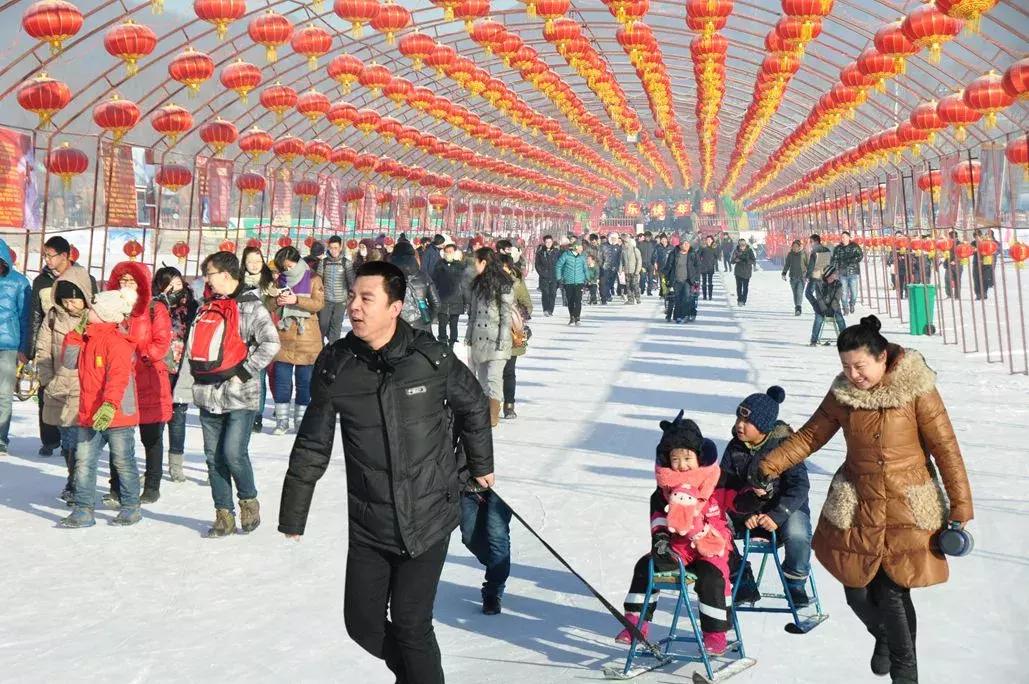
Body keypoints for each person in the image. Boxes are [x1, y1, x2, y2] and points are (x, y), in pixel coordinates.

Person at [278, 261, 494, 684]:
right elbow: (313, 441)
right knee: (361, 624)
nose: (354, 307)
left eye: (366, 298)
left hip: (429, 513)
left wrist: (481, 466)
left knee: (412, 625)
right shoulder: (337, 363)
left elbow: (472, 405)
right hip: (370, 520)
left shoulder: (429, 358)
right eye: (353, 297)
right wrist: (293, 511)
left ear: (395, 306)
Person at [754, 316, 973, 684]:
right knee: (855, 589)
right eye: (845, 366)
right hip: (858, 502)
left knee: (892, 591)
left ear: (882, 357)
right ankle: (884, 636)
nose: (853, 374)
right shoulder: (844, 394)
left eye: (860, 365)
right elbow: (810, 436)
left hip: (905, 504)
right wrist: (769, 464)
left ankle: (906, 675)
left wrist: (960, 506)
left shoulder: (915, 389)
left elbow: (945, 448)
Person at [181, 251, 281, 537]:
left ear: (226, 274)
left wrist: (244, 372)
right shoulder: (205, 305)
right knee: (214, 458)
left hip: (240, 394)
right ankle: (223, 514)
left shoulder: (252, 306)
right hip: (207, 392)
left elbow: (271, 344)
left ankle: (249, 502)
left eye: (209, 273)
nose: (206, 279)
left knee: (233, 453)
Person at [616, 416, 734, 656]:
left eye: (688, 459)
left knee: (711, 578)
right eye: (675, 459)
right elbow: (658, 521)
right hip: (677, 550)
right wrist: (660, 541)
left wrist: (755, 498)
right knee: (645, 567)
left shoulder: (715, 482)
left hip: (709, 548)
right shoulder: (662, 493)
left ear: (699, 458)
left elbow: (737, 502)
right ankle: (636, 625)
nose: (681, 466)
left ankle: (715, 634)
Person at [719, 386, 812, 607]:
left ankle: (795, 582)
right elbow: (724, 487)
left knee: (798, 533)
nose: (739, 426)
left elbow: (799, 486)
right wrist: (745, 513)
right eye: (738, 419)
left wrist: (777, 515)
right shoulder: (735, 448)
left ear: (763, 426)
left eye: (747, 422)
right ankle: (741, 578)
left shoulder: (785, 447)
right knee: (713, 525)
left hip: (786, 509)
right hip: (748, 508)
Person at [59, 289, 143, 528]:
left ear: (106, 315)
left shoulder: (117, 342)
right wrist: (75, 334)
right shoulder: (86, 339)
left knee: (123, 461)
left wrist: (108, 405)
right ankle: (83, 509)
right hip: (88, 413)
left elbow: (119, 378)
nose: (88, 312)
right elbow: (69, 361)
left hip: (116, 414)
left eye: (93, 309)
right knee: (84, 461)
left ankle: (131, 506)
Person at [106, 261, 172, 506]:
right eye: (122, 280)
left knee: (151, 437)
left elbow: (161, 342)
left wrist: (141, 355)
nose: (126, 285)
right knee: (118, 435)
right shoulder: (111, 309)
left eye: (131, 281)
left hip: (149, 378)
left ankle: (152, 484)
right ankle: (116, 486)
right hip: (121, 380)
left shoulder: (155, 309)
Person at [34, 263, 92, 500]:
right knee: (67, 442)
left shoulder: (94, 318)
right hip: (59, 388)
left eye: (74, 301)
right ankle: (73, 480)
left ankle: (78, 486)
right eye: (66, 301)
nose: (70, 305)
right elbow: (43, 350)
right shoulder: (53, 317)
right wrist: (47, 380)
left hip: (84, 389)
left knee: (81, 444)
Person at [28, 236, 75, 456]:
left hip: (73, 343)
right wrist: (30, 348)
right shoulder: (41, 281)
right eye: (45, 255)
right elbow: (35, 315)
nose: (47, 259)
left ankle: (70, 437)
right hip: (48, 341)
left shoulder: (81, 277)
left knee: (71, 391)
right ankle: (49, 438)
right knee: (46, 390)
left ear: (64, 256)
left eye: (50, 255)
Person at [270, 246, 325, 436]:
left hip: (307, 337)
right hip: (284, 336)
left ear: (297, 261)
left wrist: (296, 300)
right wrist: (277, 301)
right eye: (283, 268)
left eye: (288, 266)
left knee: (305, 382)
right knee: (282, 381)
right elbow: (269, 304)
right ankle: (282, 421)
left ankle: (301, 420)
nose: (286, 271)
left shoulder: (313, 278)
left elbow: (318, 304)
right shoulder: (280, 281)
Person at [154, 266, 198, 484]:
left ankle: (176, 465)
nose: (176, 287)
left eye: (179, 282)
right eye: (170, 283)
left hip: (182, 367)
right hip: (159, 366)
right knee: (158, 418)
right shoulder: (155, 305)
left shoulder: (192, 306)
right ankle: (154, 464)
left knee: (178, 415)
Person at [466, 248, 514, 427]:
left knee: (494, 377)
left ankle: (492, 417)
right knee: (482, 379)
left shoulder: (504, 283)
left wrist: (502, 340)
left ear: (484, 262)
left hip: (497, 339)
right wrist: (468, 337)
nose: (474, 266)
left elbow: (506, 315)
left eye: (476, 262)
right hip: (479, 338)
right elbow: (472, 315)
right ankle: (485, 413)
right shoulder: (477, 284)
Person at [0, 239, 31, 456]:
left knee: (3, 394)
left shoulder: (20, 282)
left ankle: (0, 437)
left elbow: (25, 317)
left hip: (9, 345)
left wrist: (24, 348)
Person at [241, 246, 276, 432]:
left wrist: (274, 296)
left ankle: (257, 416)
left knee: (259, 378)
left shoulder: (269, 284)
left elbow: (273, 310)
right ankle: (242, 413)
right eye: (250, 261)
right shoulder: (237, 283)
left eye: (257, 261)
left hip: (260, 339)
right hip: (239, 338)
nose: (254, 265)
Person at [500, 253, 531, 420]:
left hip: (513, 331)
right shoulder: (488, 284)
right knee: (494, 371)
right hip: (492, 331)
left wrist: (520, 314)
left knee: (509, 370)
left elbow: (527, 304)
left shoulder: (517, 284)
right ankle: (493, 404)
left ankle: (509, 404)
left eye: (505, 266)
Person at [391, 240, 442, 336]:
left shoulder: (386, 277)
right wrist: (427, 318)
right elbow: (436, 303)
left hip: (395, 325)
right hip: (420, 324)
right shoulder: (423, 276)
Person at [317, 235, 355, 344]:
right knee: (323, 325)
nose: (333, 250)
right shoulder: (323, 263)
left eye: (335, 248)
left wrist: (350, 299)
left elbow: (351, 281)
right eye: (331, 248)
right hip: (326, 300)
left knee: (336, 325)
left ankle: (333, 348)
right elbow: (318, 281)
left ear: (340, 248)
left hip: (341, 301)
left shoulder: (346, 263)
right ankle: (320, 348)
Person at [431, 238, 466, 348]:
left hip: (457, 299)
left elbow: (465, 283)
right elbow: (434, 281)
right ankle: (442, 342)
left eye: (451, 252)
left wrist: (465, 300)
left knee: (454, 324)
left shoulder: (460, 266)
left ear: (455, 253)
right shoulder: (439, 265)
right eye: (447, 252)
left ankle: (453, 343)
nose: (448, 254)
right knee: (442, 324)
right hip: (443, 298)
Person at [663, 239, 700, 323]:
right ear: (680, 245)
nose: (687, 245)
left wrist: (696, 278)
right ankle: (677, 317)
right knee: (678, 299)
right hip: (676, 279)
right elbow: (669, 265)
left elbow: (697, 267)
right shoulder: (674, 254)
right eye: (685, 243)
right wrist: (666, 276)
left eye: (688, 244)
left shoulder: (692, 254)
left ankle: (684, 316)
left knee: (686, 298)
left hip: (688, 280)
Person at [810, 264, 847, 346]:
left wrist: (832, 309)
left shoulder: (838, 284)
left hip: (835, 308)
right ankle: (813, 340)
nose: (835, 275)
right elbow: (819, 298)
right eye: (834, 273)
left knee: (840, 320)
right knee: (818, 320)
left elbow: (837, 298)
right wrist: (824, 309)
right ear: (828, 274)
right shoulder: (819, 284)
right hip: (821, 308)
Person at [555, 241, 588, 325]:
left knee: (578, 300)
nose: (582, 249)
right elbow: (558, 266)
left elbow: (585, 269)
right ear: (576, 247)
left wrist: (587, 279)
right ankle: (572, 316)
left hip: (579, 281)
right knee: (570, 300)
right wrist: (559, 278)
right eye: (580, 247)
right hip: (568, 282)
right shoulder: (566, 255)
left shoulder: (582, 257)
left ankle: (577, 318)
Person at [832, 231, 864, 315]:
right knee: (843, 293)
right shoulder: (838, 248)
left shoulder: (855, 246)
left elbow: (860, 256)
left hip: (853, 272)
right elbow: (834, 260)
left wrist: (852, 260)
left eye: (845, 237)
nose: (843, 239)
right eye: (842, 237)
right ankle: (845, 308)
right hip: (842, 274)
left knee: (854, 293)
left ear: (849, 237)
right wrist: (834, 271)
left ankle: (852, 304)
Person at [534, 235, 561, 316]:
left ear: (552, 242)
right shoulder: (540, 253)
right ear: (544, 243)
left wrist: (559, 274)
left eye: (550, 242)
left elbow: (560, 264)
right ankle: (545, 309)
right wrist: (542, 273)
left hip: (554, 276)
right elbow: (537, 265)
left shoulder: (557, 252)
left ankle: (550, 310)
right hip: (544, 277)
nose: (548, 244)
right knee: (545, 293)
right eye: (546, 242)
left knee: (553, 293)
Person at [805, 233, 833, 310]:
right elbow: (831, 262)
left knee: (808, 293)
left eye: (811, 242)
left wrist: (807, 276)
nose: (810, 244)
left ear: (816, 242)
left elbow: (811, 265)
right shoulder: (827, 250)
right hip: (825, 276)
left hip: (815, 276)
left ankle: (817, 307)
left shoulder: (814, 252)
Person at [781, 239, 808, 316]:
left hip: (802, 277)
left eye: (796, 246)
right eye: (793, 246)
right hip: (793, 278)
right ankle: (797, 307)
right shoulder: (790, 254)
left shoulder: (803, 254)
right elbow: (787, 264)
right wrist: (784, 273)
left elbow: (808, 264)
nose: (795, 248)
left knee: (799, 293)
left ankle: (799, 308)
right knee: (795, 294)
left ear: (800, 247)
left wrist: (808, 275)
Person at [730, 239, 757, 306]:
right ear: (739, 245)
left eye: (743, 245)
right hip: (738, 272)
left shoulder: (749, 251)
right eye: (740, 245)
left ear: (745, 245)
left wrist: (747, 261)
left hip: (747, 272)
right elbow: (732, 261)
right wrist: (736, 260)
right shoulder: (736, 251)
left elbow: (753, 261)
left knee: (745, 287)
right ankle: (739, 300)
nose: (742, 246)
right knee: (739, 287)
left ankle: (744, 300)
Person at [620, 234, 643, 304]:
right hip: (627, 271)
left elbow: (639, 260)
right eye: (623, 242)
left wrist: (637, 271)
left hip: (634, 271)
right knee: (628, 286)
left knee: (635, 285)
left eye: (625, 242)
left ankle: (638, 298)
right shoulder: (623, 251)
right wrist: (620, 269)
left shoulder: (635, 250)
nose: (624, 244)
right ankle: (630, 299)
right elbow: (621, 261)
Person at [600, 233, 622, 304]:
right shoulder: (603, 246)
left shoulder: (618, 247)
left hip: (614, 268)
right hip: (605, 267)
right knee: (604, 283)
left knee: (611, 283)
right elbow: (600, 257)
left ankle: (607, 294)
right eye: (612, 238)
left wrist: (619, 267)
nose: (613, 240)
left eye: (615, 238)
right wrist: (601, 265)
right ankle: (605, 296)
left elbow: (619, 258)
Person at [698, 235, 719, 301]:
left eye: (710, 240)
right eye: (707, 240)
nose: (708, 241)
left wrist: (715, 249)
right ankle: (704, 296)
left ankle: (710, 296)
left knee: (710, 282)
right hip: (703, 266)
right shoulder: (703, 247)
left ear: (712, 240)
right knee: (704, 282)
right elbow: (698, 255)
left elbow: (717, 256)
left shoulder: (714, 247)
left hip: (710, 267)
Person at [637, 231, 656, 296]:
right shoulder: (640, 244)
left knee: (650, 278)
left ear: (650, 237)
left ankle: (649, 291)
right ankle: (642, 288)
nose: (647, 238)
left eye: (649, 237)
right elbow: (638, 254)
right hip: (643, 264)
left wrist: (654, 261)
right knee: (642, 277)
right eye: (646, 237)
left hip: (651, 264)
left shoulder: (653, 244)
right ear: (644, 237)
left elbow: (655, 254)